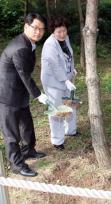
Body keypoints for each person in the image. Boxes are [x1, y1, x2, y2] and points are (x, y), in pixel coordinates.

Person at [0, 13, 49, 177]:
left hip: (18, 91)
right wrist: (38, 95)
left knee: (26, 124)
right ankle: (16, 165)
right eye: (35, 27)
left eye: (41, 29)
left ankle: (28, 150)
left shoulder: (28, 43)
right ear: (26, 26)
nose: (38, 32)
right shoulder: (21, 47)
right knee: (11, 133)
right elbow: (25, 75)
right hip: (6, 94)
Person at [41, 15, 80, 151]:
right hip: (53, 81)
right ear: (53, 31)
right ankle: (57, 140)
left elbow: (69, 55)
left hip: (66, 78)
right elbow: (56, 66)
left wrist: (71, 68)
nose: (62, 34)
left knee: (71, 104)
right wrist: (66, 81)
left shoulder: (66, 38)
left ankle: (71, 130)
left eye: (64, 30)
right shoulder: (49, 45)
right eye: (59, 32)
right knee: (57, 109)